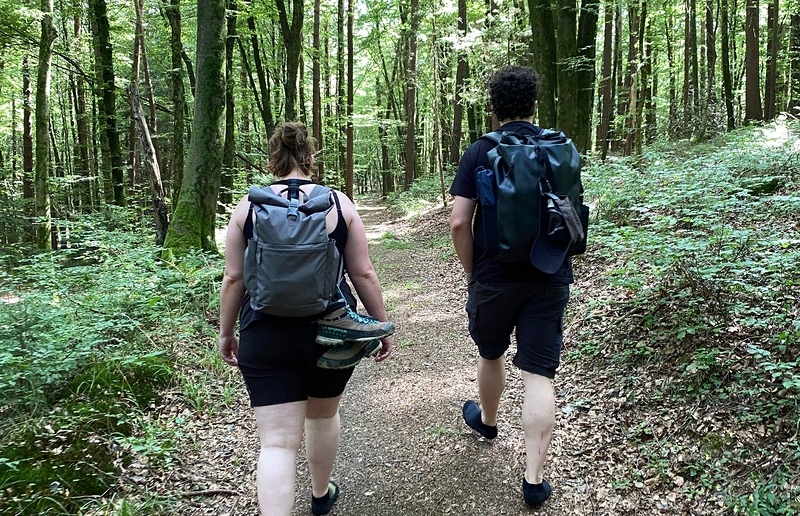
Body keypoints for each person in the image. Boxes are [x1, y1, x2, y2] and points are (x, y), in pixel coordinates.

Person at [218, 122, 394, 516]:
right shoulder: (339, 204)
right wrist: (381, 325)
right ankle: (319, 495)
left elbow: (233, 278)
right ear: (310, 158)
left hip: (264, 333)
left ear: (273, 161)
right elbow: (363, 273)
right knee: (323, 415)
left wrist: (226, 333)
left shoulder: (248, 207)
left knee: (277, 443)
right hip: (331, 333)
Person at [449, 65, 574, 508]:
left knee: (491, 352)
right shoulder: (557, 147)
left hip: (494, 276)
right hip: (549, 273)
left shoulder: (480, 151)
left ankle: (487, 421)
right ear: (534, 105)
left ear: (494, 107)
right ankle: (534, 480)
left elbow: (459, 222)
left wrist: (472, 272)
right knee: (539, 374)